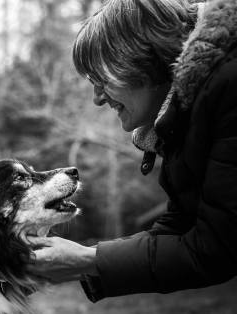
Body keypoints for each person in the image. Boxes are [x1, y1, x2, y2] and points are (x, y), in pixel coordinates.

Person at [27, 0, 237, 302]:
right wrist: (82, 262)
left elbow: (217, 248)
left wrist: (88, 260)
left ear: (141, 58)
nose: (97, 98)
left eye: (100, 79)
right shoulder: (188, 112)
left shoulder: (229, 85)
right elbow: (182, 226)